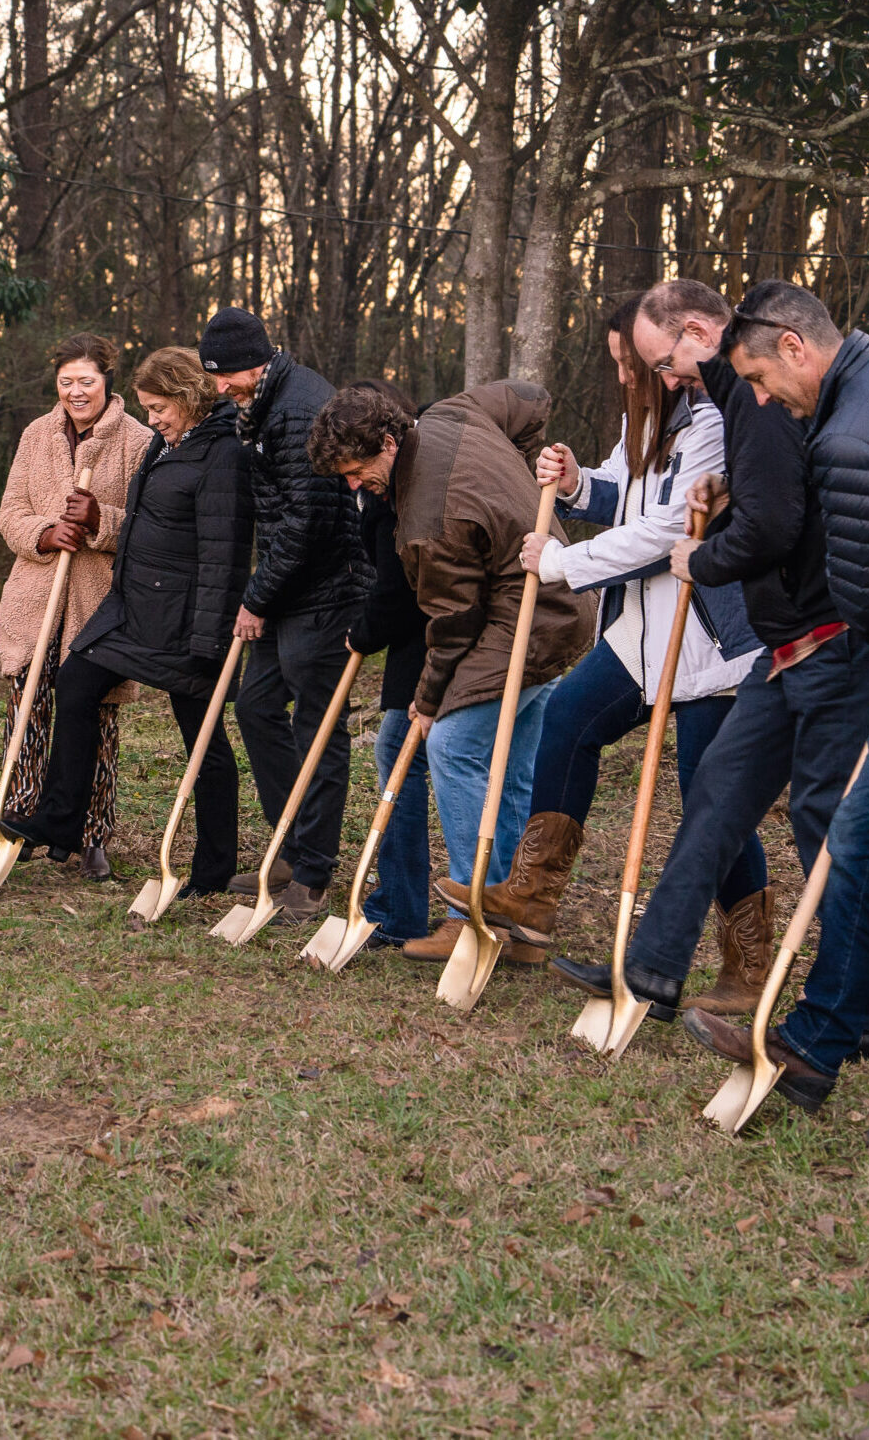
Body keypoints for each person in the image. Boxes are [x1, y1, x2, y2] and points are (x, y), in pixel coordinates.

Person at [674, 285, 869, 1154]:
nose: (763, 402)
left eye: (759, 381)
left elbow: (854, 601)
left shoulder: (852, 438)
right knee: (854, 850)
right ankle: (815, 1045)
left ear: (795, 346)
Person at [555, 279, 869, 1038]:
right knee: (715, 795)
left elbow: (778, 523)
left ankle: (865, 1012)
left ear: (700, 331)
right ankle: (648, 970)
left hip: (830, 639)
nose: (660, 378)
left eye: (663, 359)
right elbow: (777, 499)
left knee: (821, 819)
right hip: (783, 646)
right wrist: (726, 498)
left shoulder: (755, 396)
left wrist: (701, 557)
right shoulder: (730, 399)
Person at [437, 298, 762, 995]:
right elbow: (625, 497)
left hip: (704, 636)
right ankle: (532, 894)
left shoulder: (709, 420)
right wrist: (578, 480)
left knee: (713, 796)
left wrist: (559, 562)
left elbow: (665, 530)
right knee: (567, 721)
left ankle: (751, 961)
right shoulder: (642, 421)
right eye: (620, 362)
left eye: (634, 363)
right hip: (637, 633)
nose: (626, 376)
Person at [308, 380, 596, 964]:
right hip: (562, 606)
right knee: (509, 767)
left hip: (526, 621)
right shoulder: (454, 413)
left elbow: (454, 624)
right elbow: (532, 398)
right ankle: (515, 923)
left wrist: (430, 698)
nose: (352, 484)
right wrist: (518, 473)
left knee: (454, 743)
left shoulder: (426, 516)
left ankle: (471, 918)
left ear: (388, 443)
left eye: (356, 469)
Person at [0, 348, 253, 894]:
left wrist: (210, 639)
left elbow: (224, 551)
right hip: (135, 604)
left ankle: (213, 869)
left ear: (187, 397)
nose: (153, 418)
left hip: (188, 619)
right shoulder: (171, 441)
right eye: (148, 408)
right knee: (77, 678)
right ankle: (59, 818)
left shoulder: (223, 453)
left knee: (203, 738)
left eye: (160, 407)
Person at [197, 306, 369, 924]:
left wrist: (255, 596)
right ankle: (289, 845)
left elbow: (311, 522)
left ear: (257, 359)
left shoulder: (300, 407)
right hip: (286, 590)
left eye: (226, 376)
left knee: (319, 729)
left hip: (325, 594)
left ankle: (315, 873)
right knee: (256, 706)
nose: (220, 389)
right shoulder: (263, 404)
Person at [0, 334, 153, 879]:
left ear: (107, 379)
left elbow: (151, 529)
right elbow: (10, 510)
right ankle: (23, 818)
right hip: (35, 597)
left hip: (97, 601)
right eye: (66, 382)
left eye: (86, 381)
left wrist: (98, 522)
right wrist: (44, 533)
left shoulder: (137, 441)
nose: (75, 392)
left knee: (96, 718)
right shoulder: (37, 434)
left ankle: (92, 833)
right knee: (28, 711)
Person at [341, 380, 433, 948]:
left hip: (433, 642)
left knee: (406, 758)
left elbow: (396, 591)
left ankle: (401, 910)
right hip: (419, 643)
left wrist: (363, 632)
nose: (352, 483)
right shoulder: (387, 489)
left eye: (355, 470)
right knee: (404, 757)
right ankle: (400, 907)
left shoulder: (394, 500)